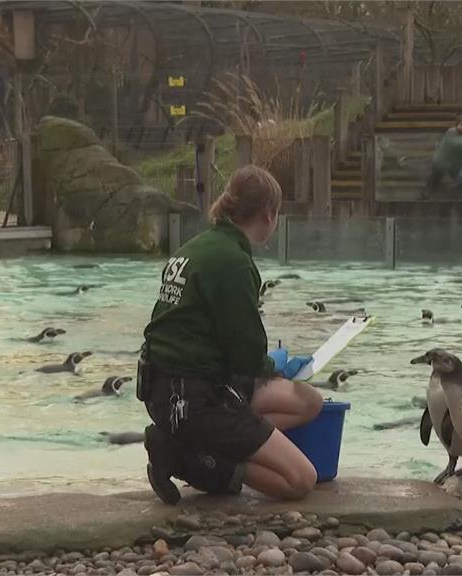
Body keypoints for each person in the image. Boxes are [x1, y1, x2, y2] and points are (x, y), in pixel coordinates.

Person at [137, 165, 323, 504]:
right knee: (300, 481)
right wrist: (276, 365)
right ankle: (188, 456)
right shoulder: (233, 263)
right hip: (195, 400)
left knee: (309, 400)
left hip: (170, 388)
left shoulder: (198, 246)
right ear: (269, 214)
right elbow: (248, 357)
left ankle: (217, 440)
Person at [425, 113, 462, 198]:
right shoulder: (451, 132)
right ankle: (425, 196)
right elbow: (456, 143)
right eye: (461, 124)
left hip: (453, 165)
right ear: (457, 124)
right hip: (441, 163)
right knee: (434, 181)